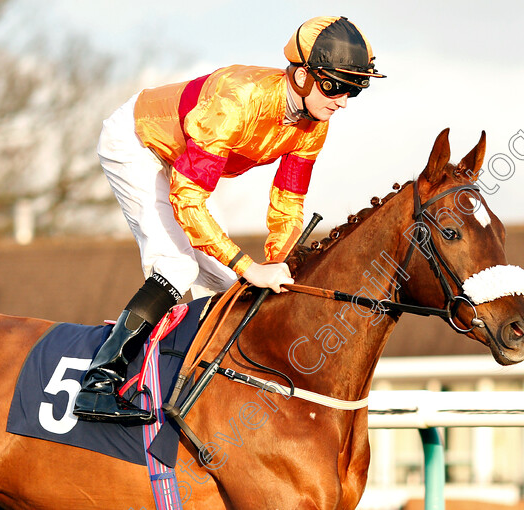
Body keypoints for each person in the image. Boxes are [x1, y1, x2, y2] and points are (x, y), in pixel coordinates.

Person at [72, 16, 385, 424]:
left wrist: (280, 264)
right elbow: (188, 199)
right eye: (335, 87)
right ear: (304, 76)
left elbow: (288, 203)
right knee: (177, 265)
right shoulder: (237, 100)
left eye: (353, 91)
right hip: (139, 143)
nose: (342, 101)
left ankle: (194, 391)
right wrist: (249, 265)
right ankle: (100, 381)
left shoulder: (313, 126)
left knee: (229, 287)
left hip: (181, 160)